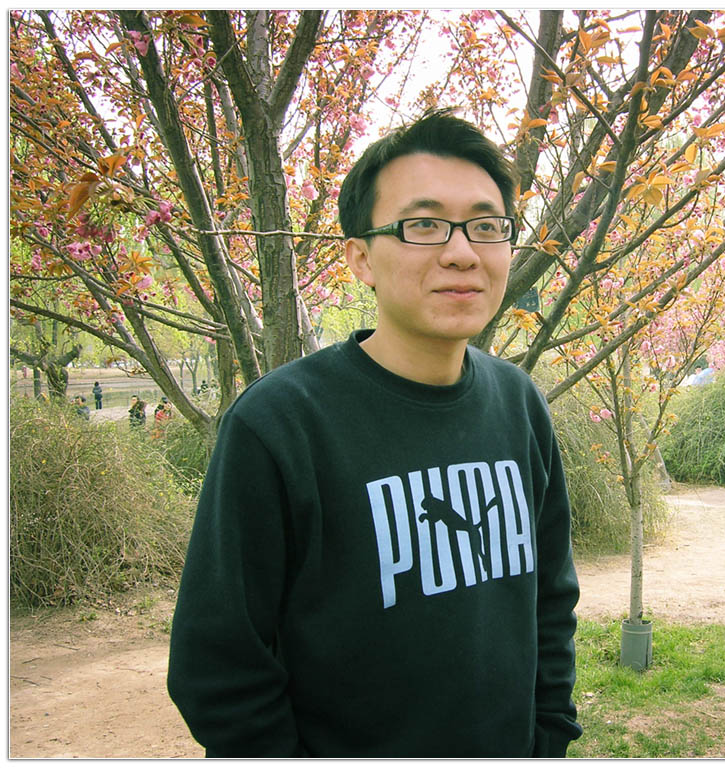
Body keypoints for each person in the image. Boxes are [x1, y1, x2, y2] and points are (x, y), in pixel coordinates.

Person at [167, 109, 582, 758]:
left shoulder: (519, 403)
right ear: (360, 258)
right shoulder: (280, 425)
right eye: (423, 225)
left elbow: (550, 603)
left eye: (486, 226)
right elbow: (217, 668)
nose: (462, 253)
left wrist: (547, 740)